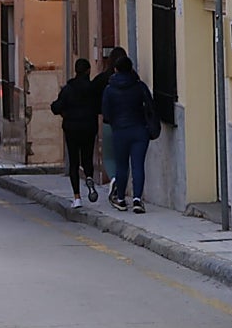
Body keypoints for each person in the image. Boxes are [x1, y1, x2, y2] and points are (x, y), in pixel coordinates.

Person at [100, 55, 154, 214]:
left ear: (115, 69)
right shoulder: (139, 86)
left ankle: (121, 199)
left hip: (120, 132)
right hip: (139, 130)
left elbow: (106, 114)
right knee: (138, 165)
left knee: (122, 166)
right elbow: (150, 106)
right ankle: (137, 199)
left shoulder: (109, 89)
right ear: (131, 68)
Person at [50, 58, 100, 208]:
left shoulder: (68, 89)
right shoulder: (92, 89)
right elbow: (98, 107)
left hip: (72, 129)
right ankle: (89, 176)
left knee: (74, 162)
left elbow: (56, 107)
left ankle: (77, 198)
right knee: (87, 156)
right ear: (88, 71)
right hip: (89, 127)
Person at [91, 46, 127, 199]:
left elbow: (92, 96)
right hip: (127, 123)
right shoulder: (133, 80)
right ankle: (122, 184)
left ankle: (113, 178)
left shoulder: (102, 80)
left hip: (108, 122)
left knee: (109, 156)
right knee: (124, 158)